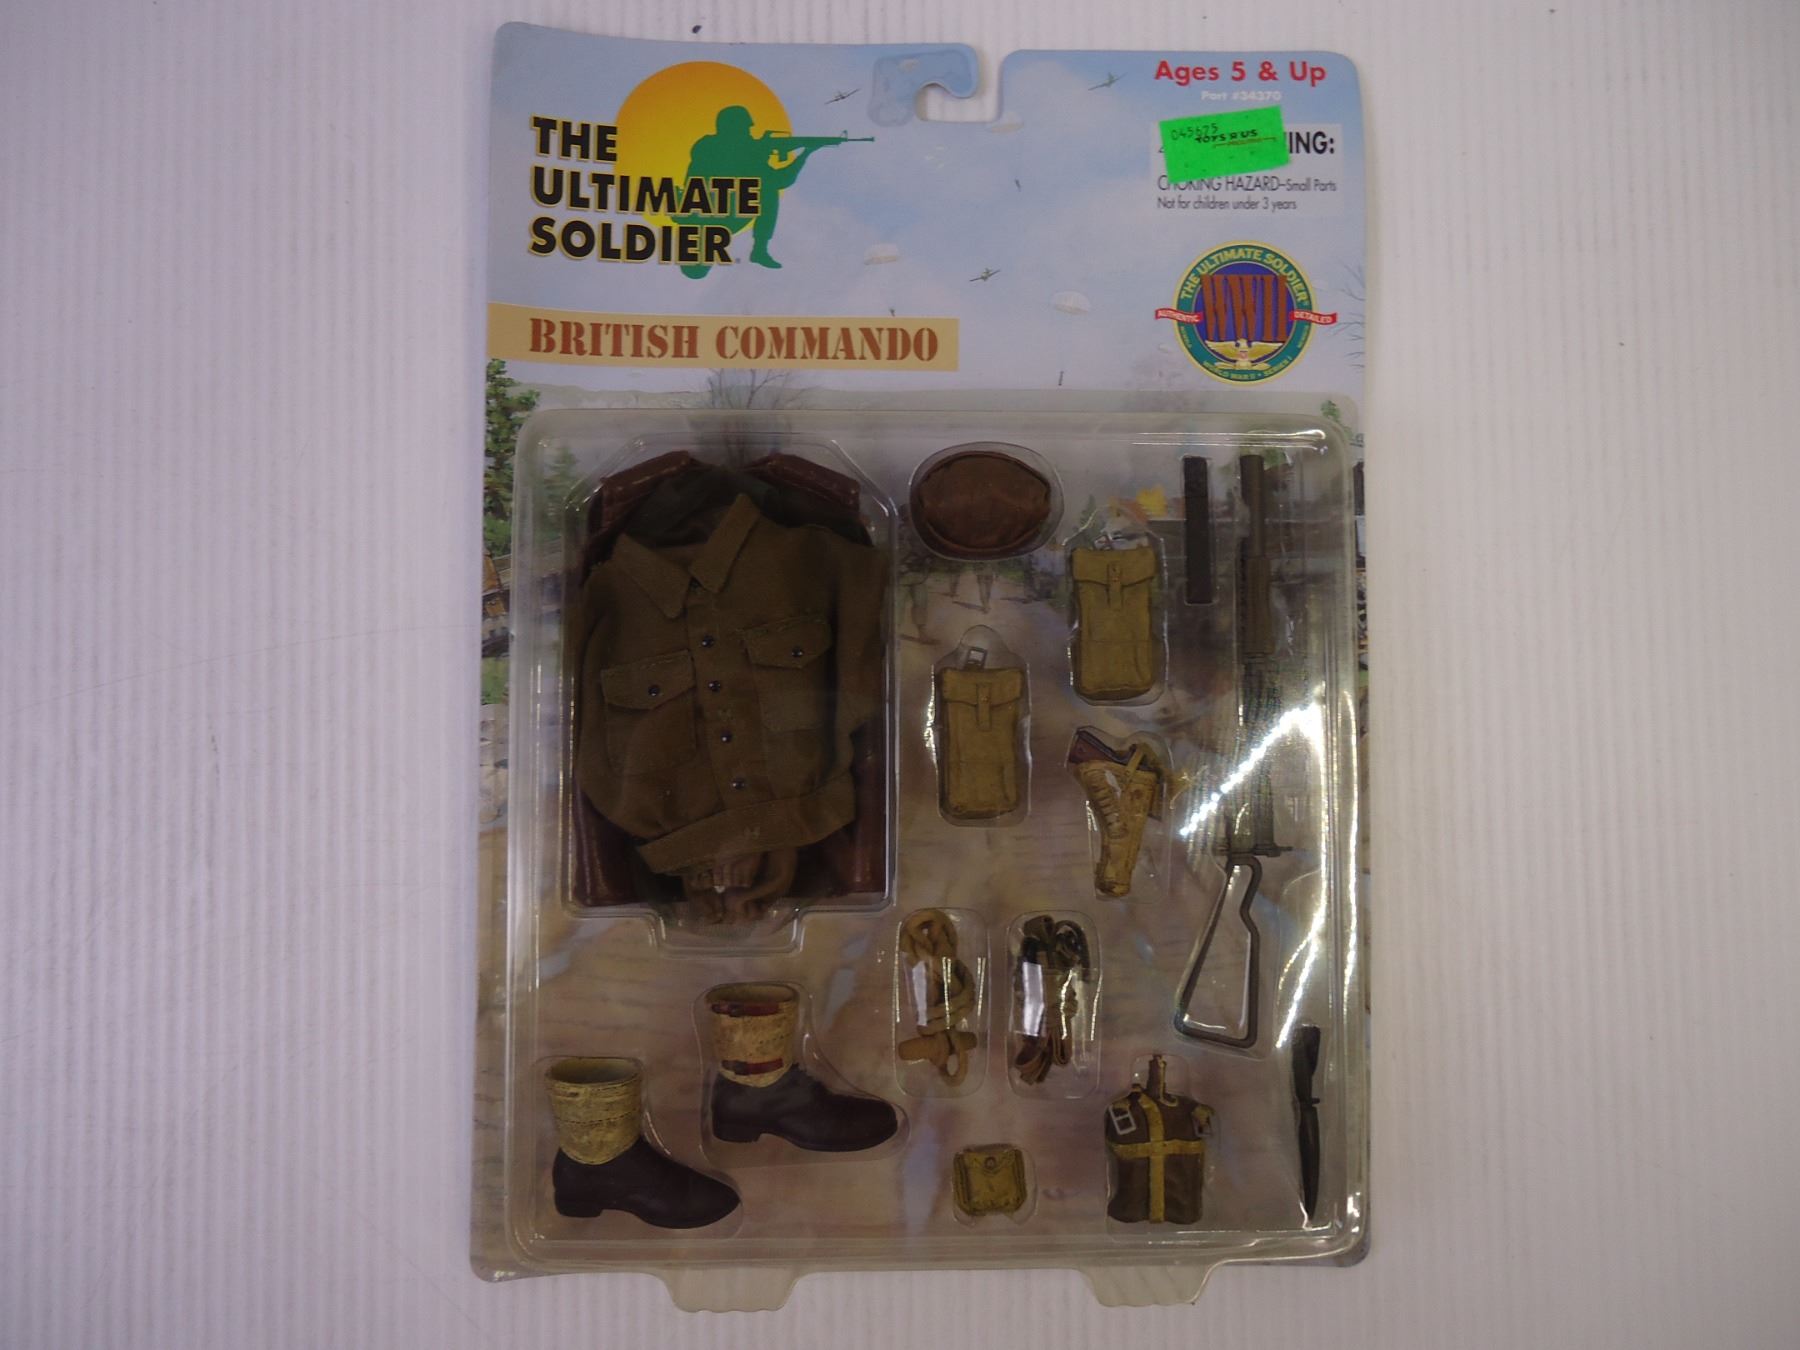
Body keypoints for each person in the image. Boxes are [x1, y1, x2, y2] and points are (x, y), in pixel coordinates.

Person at [678, 106, 820, 278]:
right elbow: (780, 180)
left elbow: (778, 179)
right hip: (719, 206)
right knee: (766, 191)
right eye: (745, 129)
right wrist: (804, 153)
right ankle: (760, 249)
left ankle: (760, 249)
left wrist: (804, 152)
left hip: (723, 207)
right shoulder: (710, 147)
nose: (750, 133)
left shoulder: (717, 147)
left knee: (765, 189)